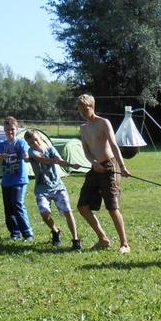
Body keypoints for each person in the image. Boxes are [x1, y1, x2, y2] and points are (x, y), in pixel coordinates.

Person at [76, 94, 130, 253]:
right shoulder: (83, 128)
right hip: (95, 167)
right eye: (81, 109)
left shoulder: (103, 123)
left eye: (86, 108)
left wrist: (122, 166)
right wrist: (93, 163)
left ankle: (125, 244)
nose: (84, 112)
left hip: (109, 166)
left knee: (112, 207)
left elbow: (114, 145)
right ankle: (103, 239)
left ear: (93, 106)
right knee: (82, 206)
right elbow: (86, 151)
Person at [24, 129, 81, 250]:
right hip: (41, 189)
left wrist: (71, 165)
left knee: (68, 211)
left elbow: (59, 161)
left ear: (41, 138)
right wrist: (54, 161)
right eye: (30, 142)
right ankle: (55, 230)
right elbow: (41, 159)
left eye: (36, 140)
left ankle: (75, 240)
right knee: (45, 213)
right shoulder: (32, 151)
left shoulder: (50, 149)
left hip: (58, 187)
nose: (34, 143)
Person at [0, 116, 33, 240]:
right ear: (4, 131)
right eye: (7, 130)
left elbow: (26, 154)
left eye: (12, 129)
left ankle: (28, 234)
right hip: (6, 181)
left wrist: (25, 155)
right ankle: (14, 233)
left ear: (16, 129)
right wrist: (1, 156)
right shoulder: (1, 144)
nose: (10, 132)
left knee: (18, 204)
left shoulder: (21, 142)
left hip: (19, 180)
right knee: (8, 208)